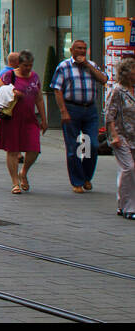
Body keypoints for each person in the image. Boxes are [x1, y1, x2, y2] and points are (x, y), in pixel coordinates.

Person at [50, 39, 106, 195]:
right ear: (71, 50)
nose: (82, 51)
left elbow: (104, 80)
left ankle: (86, 177)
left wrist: (87, 65)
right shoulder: (64, 67)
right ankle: (77, 181)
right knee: (74, 147)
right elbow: (57, 90)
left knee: (91, 145)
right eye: (79, 48)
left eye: (84, 49)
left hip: (90, 110)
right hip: (72, 109)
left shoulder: (92, 66)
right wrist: (63, 111)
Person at [0, 49, 48, 195]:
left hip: (30, 119)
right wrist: (11, 91)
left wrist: (44, 118)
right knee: (13, 150)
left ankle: (24, 172)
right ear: (19, 64)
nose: (28, 68)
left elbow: (39, 98)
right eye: (25, 66)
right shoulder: (9, 75)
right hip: (12, 119)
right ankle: (15, 182)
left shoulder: (35, 77)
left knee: (34, 149)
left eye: (30, 65)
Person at [104, 56, 135, 219]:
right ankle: (129, 208)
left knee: (127, 171)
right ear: (126, 73)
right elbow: (109, 115)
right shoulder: (117, 90)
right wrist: (114, 135)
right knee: (129, 168)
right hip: (121, 136)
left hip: (134, 137)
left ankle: (121, 203)